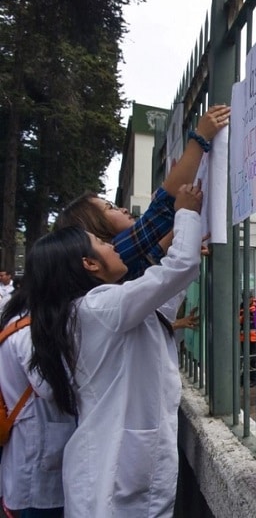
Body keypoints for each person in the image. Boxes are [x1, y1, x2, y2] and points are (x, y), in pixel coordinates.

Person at [27, 183, 203, 517]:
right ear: (89, 264)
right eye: (103, 244)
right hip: (113, 479)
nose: (116, 249)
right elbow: (178, 270)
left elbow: (161, 306)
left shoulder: (93, 310)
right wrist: (186, 215)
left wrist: (185, 239)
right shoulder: (98, 307)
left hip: (120, 469)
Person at [54, 105, 230, 280]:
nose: (123, 209)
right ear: (93, 228)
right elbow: (164, 209)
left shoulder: (119, 265)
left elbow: (152, 258)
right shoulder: (117, 250)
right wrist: (199, 137)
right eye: (110, 208)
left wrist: (183, 238)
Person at [0, 280, 75, 517]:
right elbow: (49, 388)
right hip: (36, 454)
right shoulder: (31, 333)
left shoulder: (20, 321)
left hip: (31, 448)